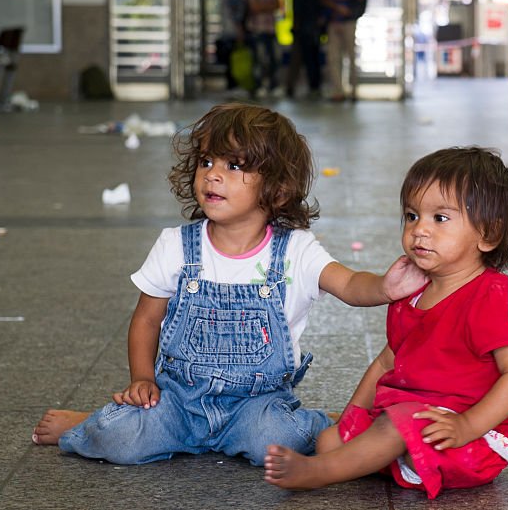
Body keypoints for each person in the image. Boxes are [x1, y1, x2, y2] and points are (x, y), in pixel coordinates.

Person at [32, 103, 427, 466]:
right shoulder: (176, 246)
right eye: (206, 161)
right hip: (177, 402)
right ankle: (90, 424)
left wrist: (385, 288)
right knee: (119, 439)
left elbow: (349, 284)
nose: (213, 174)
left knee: (275, 440)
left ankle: (324, 423)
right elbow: (147, 320)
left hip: (256, 406)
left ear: (278, 187)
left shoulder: (296, 251)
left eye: (234, 166)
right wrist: (142, 379)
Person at [264, 147, 508, 499]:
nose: (419, 229)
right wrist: (353, 415)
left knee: (393, 425)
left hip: (474, 436)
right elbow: (387, 361)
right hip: (408, 416)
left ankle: (317, 473)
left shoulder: (495, 295)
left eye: (439, 218)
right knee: (330, 439)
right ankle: (375, 455)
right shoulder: (412, 289)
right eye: (411, 216)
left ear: (488, 233)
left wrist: (467, 425)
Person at [324, 0, 363, 102]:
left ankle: (353, 90)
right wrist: (337, 4)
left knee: (351, 56)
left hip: (348, 23)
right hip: (334, 23)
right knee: (333, 58)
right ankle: (338, 91)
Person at [246, 0, 283, 96]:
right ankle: (259, 86)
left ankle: (273, 86)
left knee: (274, 58)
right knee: (259, 59)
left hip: (271, 30)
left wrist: (263, 6)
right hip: (257, 30)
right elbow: (254, 7)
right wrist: (268, 6)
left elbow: (278, 5)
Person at [288, 0, 325, 98]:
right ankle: (314, 86)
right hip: (313, 30)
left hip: (302, 31)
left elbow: (296, 12)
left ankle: (291, 87)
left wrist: (295, 28)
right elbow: (322, 9)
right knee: (313, 60)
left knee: (300, 60)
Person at [215, 0, 245, 92]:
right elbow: (236, 17)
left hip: (226, 32)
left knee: (230, 61)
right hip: (233, 33)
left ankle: (232, 84)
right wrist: (239, 31)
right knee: (234, 60)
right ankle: (233, 84)